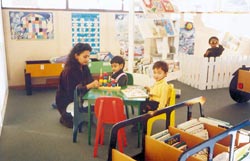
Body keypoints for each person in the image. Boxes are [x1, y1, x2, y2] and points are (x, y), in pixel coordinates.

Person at [55, 43, 99, 128]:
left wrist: (95, 83)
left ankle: (77, 114)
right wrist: (89, 86)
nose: (87, 59)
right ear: (76, 56)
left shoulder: (84, 67)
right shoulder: (69, 71)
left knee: (95, 107)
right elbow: (72, 93)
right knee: (73, 124)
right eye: (85, 57)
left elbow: (90, 80)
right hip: (66, 101)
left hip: (80, 96)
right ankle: (65, 117)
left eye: (88, 56)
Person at [131, 61, 171, 132]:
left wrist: (157, 110)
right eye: (154, 73)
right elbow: (155, 91)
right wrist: (149, 89)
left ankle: (141, 124)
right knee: (142, 102)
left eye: (159, 73)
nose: (156, 75)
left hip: (157, 105)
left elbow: (163, 100)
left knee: (143, 105)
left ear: (165, 74)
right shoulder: (158, 82)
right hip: (153, 101)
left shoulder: (165, 86)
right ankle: (139, 122)